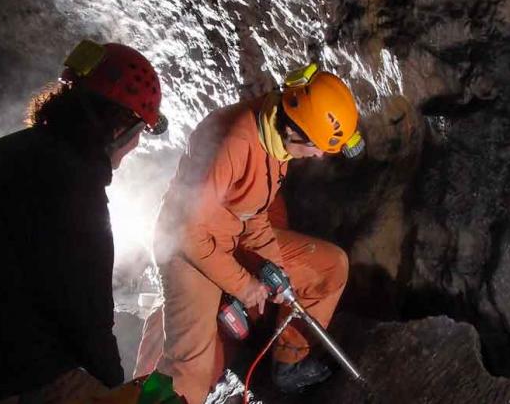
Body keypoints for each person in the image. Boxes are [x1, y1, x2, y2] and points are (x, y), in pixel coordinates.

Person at [0, 39, 169, 404]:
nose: (136, 144)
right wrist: (115, 388)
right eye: (138, 131)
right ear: (117, 127)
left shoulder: (12, 148)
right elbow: (88, 320)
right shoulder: (78, 190)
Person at [139, 62, 364, 404]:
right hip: (189, 250)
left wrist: (273, 269)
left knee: (330, 267)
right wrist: (243, 285)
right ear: (295, 130)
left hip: (230, 236)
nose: (319, 155)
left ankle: (290, 365)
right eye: (317, 146)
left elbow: (255, 213)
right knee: (191, 370)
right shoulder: (232, 140)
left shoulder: (276, 136)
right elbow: (188, 233)